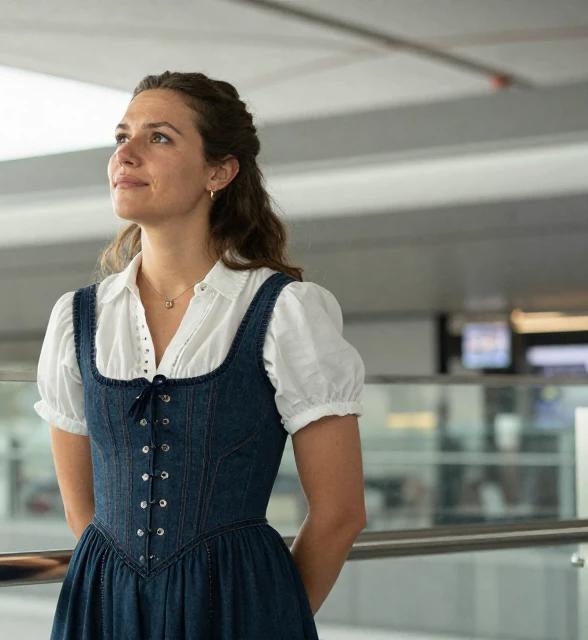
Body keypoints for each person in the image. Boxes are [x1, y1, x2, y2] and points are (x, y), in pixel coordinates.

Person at [34, 71, 367, 639]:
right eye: (121, 136)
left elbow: (340, 513)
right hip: (105, 606)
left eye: (157, 137)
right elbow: (82, 511)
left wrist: (269, 617)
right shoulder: (78, 317)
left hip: (240, 606)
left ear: (219, 171)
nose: (126, 153)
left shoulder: (284, 310)